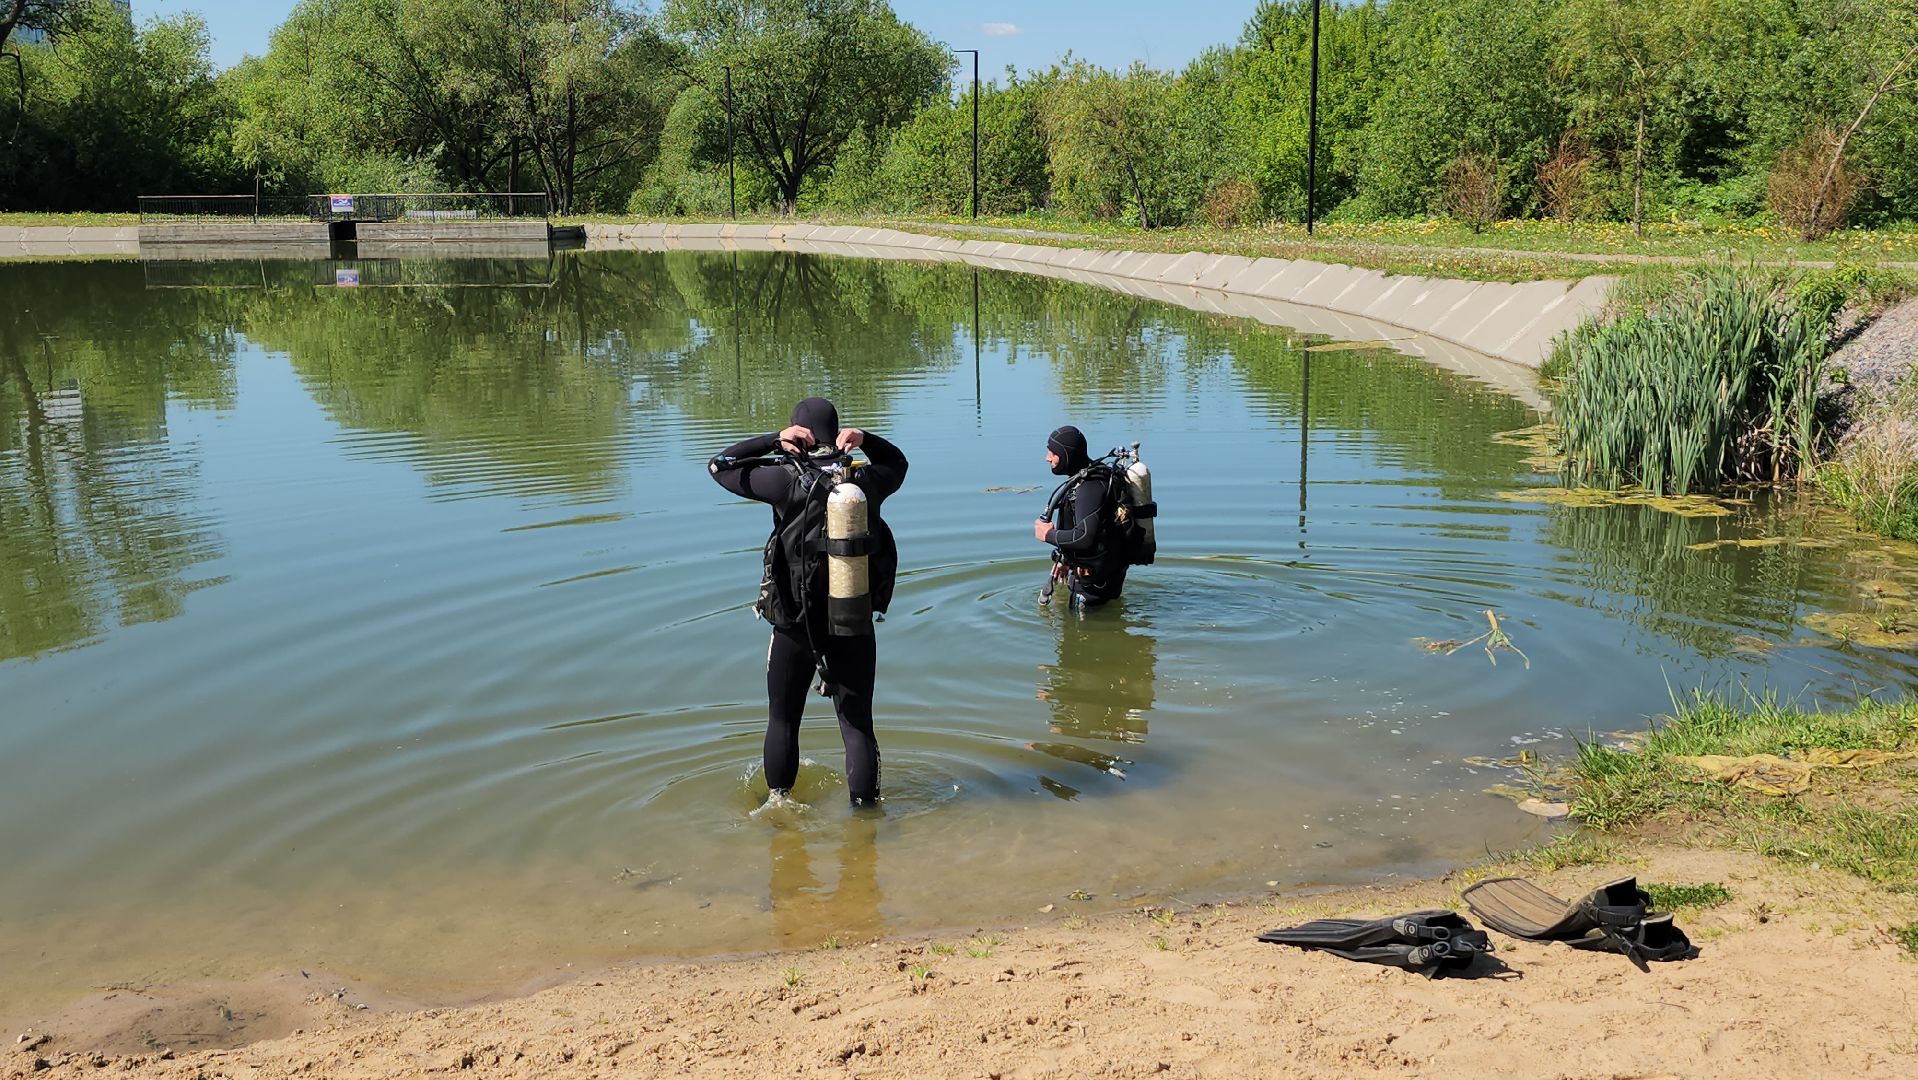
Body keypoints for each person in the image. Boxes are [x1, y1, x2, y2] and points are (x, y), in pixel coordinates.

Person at [709, 397, 907, 808]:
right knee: (857, 727)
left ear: (797, 432)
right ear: (836, 434)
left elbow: (719, 465)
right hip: (851, 618)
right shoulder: (866, 482)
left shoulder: (780, 480)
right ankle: (866, 819)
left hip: (795, 624)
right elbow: (899, 463)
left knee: (783, 720)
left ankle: (779, 806)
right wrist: (866, 438)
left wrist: (771, 440)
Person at [1034, 424, 1128, 607]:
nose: (1047, 458)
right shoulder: (1089, 478)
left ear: (1067, 454)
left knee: (1076, 634)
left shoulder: (1089, 487)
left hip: (1093, 585)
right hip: (1104, 575)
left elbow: (1085, 537)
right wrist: (1065, 560)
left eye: (1053, 453)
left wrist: (1048, 535)